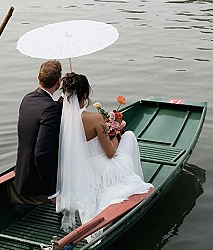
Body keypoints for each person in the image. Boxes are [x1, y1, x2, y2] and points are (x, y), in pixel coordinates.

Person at [56, 72, 153, 231]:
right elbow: (110, 153)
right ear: (85, 95)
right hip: (101, 173)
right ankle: (134, 177)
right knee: (129, 136)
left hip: (78, 172)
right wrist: (114, 136)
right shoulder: (94, 118)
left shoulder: (61, 119)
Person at [12, 59, 63, 210]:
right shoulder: (51, 110)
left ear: (38, 77)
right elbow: (41, 154)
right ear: (58, 82)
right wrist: (53, 194)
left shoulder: (27, 98)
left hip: (20, 175)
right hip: (37, 186)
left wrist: (59, 105)